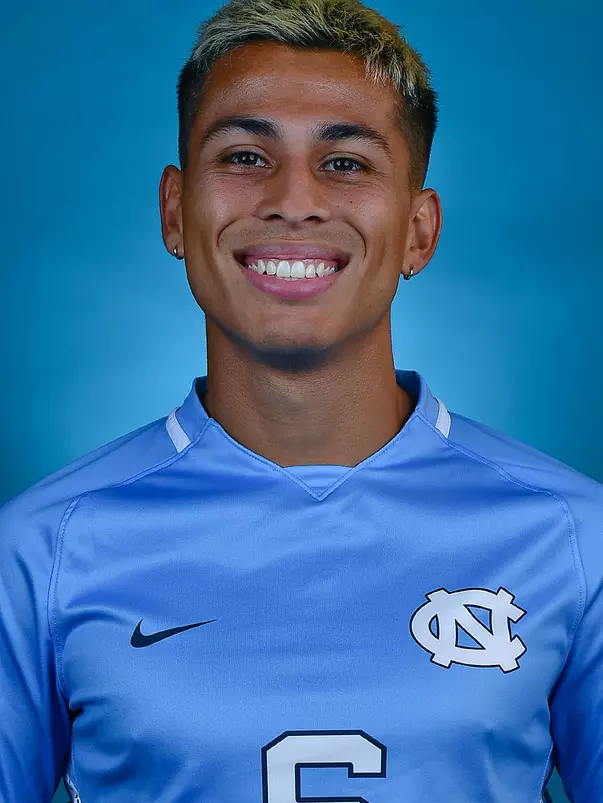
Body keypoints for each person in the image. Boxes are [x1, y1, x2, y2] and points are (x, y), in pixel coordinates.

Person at [0, 0, 600, 800]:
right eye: (245, 156)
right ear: (175, 211)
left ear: (418, 231)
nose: (293, 199)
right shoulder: (42, 548)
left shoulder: (571, 536)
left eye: (344, 163)